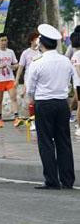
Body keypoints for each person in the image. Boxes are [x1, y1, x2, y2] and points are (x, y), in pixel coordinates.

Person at [25, 23, 78, 189]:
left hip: (44, 104)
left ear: (41, 44)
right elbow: (76, 82)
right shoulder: (66, 61)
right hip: (62, 104)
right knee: (64, 141)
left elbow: (30, 88)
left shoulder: (37, 62)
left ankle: (52, 180)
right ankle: (67, 180)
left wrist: (31, 101)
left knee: (46, 142)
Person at [0, 33, 20, 128]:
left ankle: (16, 118)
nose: (4, 42)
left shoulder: (11, 52)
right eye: (2, 40)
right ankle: (0, 119)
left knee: (13, 98)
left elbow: (17, 64)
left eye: (5, 40)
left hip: (10, 78)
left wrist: (14, 66)